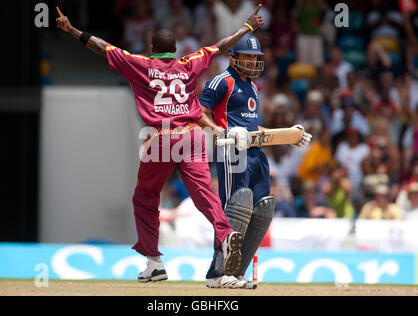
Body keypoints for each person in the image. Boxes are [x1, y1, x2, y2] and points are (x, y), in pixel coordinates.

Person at [56, 5, 265, 284]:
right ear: (175, 48)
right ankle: (226, 235)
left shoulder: (140, 64)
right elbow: (220, 45)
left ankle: (154, 263)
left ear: (152, 47)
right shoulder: (189, 63)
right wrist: (247, 27)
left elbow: (103, 47)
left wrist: (72, 30)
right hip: (192, 135)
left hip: (161, 138)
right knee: (204, 194)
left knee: (145, 197)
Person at [198, 33, 312, 288]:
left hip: (255, 152)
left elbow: (252, 126)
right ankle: (219, 273)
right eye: (247, 56)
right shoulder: (221, 82)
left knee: (263, 208)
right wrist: (222, 132)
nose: (252, 62)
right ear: (233, 57)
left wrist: (287, 136)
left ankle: (235, 272)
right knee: (237, 205)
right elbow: (200, 113)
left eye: (255, 57)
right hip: (230, 151)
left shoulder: (253, 86)